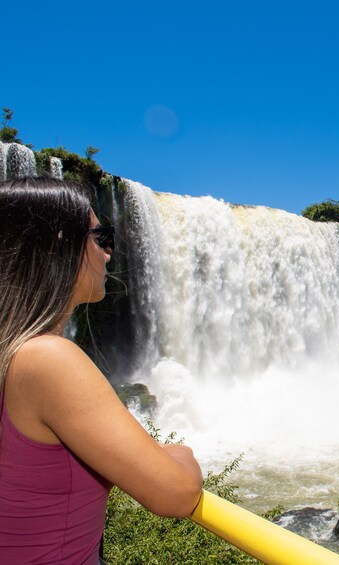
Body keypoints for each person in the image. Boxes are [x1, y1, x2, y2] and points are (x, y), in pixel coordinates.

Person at [0, 177, 203, 564]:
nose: (109, 253)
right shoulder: (48, 359)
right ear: (55, 247)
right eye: (101, 237)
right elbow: (176, 493)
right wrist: (179, 452)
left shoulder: (13, 354)